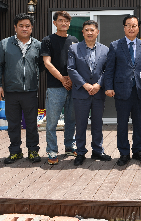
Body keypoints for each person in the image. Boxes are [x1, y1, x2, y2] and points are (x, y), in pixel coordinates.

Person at [0, 13, 43, 164]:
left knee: (32, 124)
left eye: (27, 26)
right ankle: (15, 152)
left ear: (32, 27)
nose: (24, 28)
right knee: (13, 123)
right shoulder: (5, 43)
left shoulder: (37, 45)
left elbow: (41, 66)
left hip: (30, 91)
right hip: (11, 91)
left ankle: (33, 151)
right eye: (21, 26)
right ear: (15, 27)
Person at [104, 15, 141, 166]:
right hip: (121, 90)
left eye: (134, 25)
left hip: (139, 90)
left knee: (138, 122)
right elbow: (109, 68)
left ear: (138, 28)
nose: (131, 28)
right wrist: (109, 87)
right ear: (124, 27)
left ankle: (138, 151)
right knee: (122, 123)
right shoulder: (115, 45)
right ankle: (124, 153)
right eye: (128, 25)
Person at [67, 20, 111, 166]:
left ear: (97, 32)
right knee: (80, 124)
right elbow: (71, 69)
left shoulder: (105, 49)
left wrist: (99, 84)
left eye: (92, 30)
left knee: (97, 123)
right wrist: (85, 85)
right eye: (87, 30)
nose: (90, 32)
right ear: (83, 32)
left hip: (98, 92)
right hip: (81, 92)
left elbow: (107, 70)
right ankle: (80, 152)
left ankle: (97, 150)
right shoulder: (74, 48)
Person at [41, 11, 79, 165]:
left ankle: (70, 146)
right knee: (52, 122)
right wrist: (62, 78)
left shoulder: (74, 40)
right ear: (55, 22)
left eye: (66, 21)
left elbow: (77, 62)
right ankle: (52, 150)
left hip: (73, 86)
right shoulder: (48, 40)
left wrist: (71, 78)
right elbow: (47, 63)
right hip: (55, 87)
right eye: (61, 20)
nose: (64, 23)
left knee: (71, 119)